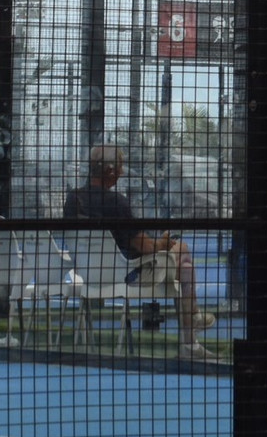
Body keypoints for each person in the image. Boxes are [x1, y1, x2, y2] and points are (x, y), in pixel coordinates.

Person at [63, 145, 217, 360]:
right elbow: (144, 246)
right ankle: (192, 326)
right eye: (120, 167)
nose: (122, 172)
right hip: (127, 274)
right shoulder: (117, 202)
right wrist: (163, 243)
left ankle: (193, 321)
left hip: (88, 274)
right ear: (110, 170)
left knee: (178, 265)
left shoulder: (73, 199)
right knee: (182, 253)